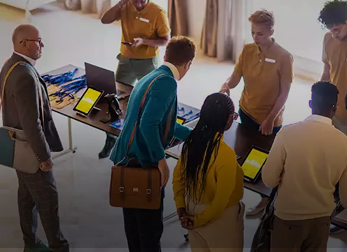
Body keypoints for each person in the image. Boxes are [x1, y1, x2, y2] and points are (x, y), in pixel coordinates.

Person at [109, 36, 196, 252]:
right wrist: (161, 161)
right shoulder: (167, 83)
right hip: (141, 163)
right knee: (150, 231)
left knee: (133, 227)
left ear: (165, 56)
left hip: (125, 160)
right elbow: (149, 124)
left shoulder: (151, 76)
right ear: (188, 64)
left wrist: (192, 135)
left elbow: (163, 121)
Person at [0, 24, 69, 252]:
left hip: (17, 149)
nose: (42, 45)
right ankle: (58, 247)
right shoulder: (24, 75)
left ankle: (30, 243)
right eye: (37, 41)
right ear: (22, 43)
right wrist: (44, 157)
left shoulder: (10, 65)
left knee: (26, 196)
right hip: (30, 151)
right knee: (48, 202)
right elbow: (32, 124)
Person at [220, 9, 294, 216]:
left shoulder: (284, 57)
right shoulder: (247, 50)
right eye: (253, 32)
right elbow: (234, 78)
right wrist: (225, 86)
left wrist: (270, 119)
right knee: (241, 155)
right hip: (246, 112)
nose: (255, 37)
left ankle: (265, 201)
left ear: (271, 30)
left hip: (269, 120)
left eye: (260, 33)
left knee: (265, 163)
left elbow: (284, 93)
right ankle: (234, 196)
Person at [262, 81, 347, 252]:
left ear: (310, 104)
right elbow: (345, 198)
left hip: (287, 220)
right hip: (321, 222)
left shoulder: (287, 133)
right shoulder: (344, 143)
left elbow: (269, 180)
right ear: (335, 108)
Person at [172, 93, 245, 252]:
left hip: (191, 207)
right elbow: (221, 201)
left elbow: (178, 178)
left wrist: (181, 209)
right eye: (233, 116)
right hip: (220, 218)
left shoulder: (191, 142)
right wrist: (199, 220)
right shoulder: (226, 155)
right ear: (227, 120)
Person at [99, 0, 170, 159]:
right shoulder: (125, 6)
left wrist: (144, 41)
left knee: (149, 103)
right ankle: (111, 138)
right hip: (126, 60)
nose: (138, 2)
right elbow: (104, 20)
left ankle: (147, 145)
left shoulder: (157, 12)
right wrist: (119, 4)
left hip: (148, 62)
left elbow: (165, 40)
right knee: (114, 101)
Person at [318, 0, 347, 235]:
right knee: (335, 160)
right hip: (334, 112)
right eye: (330, 30)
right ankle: (336, 204)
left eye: (337, 29)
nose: (333, 35)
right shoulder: (328, 39)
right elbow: (327, 72)